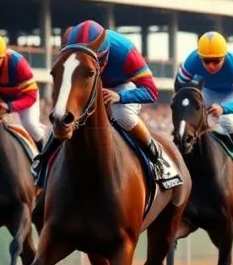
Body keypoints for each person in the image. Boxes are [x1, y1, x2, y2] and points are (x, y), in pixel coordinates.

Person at [36, 20, 177, 187]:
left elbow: (151, 91)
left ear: (107, 53)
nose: (100, 66)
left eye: (101, 61)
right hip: (86, 80)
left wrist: (120, 96)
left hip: (122, 86)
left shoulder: (126, 52)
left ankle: (158, 158)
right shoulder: (73, 50)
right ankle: (43, 163)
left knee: (123, 114)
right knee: (65, 113)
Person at [175, 31, 233, 186]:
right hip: (207, 91)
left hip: (231, 94)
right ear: (199, 57)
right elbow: (179, 86)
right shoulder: (192, 61)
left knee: (226, 121)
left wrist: (223, 109)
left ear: (225, 56)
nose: (211, 66)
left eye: (216, 61)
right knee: (189, 119)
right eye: (206, 61)